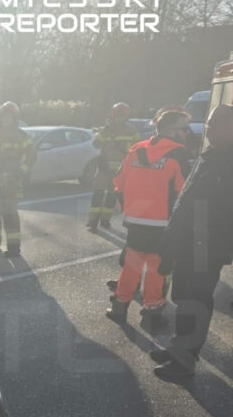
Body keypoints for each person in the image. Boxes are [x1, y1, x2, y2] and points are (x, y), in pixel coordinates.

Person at [151, 104, 233, 380]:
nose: (206, 128)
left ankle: (184, 360)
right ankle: (178, 348)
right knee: (183, 296)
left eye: (212, 124)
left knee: (195, 301)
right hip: (190, 241)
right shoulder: (211, 155)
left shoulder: (228, 160)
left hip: (206, 246)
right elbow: (188, 200)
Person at [105, 109, 191, 331]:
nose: (187, 132)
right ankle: (151, 315)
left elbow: (118, 183)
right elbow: (186, 194)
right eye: (184, 128)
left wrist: (129, 211)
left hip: (135, 221)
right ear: (171, 131)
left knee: (131, 266)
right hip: (164, 224)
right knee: (158, 269)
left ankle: (119, 308)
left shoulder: (136, 150)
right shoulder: (178, 156)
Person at [0, 101, 35, 258]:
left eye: (9, 117)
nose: (5, 120)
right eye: (3, 116)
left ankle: (13, 247)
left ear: (14, 118)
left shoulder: (21, 136)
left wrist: (20, 172)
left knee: (10, 214)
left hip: (12, 182)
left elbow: (32, 156)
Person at [87, 102, 139, 231]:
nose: (119, 118)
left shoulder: (131, 131)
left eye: (121, 116)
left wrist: (125, 151)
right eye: (117, 116)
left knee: (111, 196)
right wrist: (103, 132)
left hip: (120, 169)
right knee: (97, 194)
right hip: (103, 167)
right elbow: (96, 144)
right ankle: (92, 222)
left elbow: (137, 149)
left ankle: (105, 220)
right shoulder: (106, 130)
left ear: (126, 117)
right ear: (113, 116)